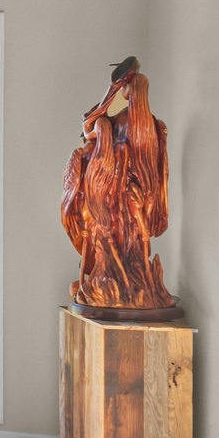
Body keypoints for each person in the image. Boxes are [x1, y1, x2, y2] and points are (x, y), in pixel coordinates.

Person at [60, 57, 176, 315]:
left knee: (120, 238)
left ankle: (135, 280)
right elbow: (91, 125)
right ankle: (130, 278)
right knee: (119, 239)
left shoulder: (127, 124)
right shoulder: (138, 124)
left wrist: (110, 94)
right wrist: (112, 90)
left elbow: (89, 125)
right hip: (123, 201)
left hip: (119, 201)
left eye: (125, 87)